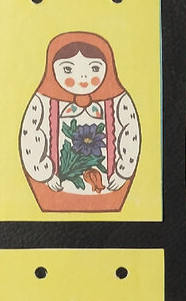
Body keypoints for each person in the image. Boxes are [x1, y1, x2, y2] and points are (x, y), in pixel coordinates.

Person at [19, 32, 140, 212]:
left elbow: (130, 134)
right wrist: (44, 173)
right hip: (52, 188)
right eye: (68, 69)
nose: (82, 77)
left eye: (94, 68)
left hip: (111, 188)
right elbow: (31, 135)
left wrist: (123, 171)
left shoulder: (118, 100)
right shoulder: (43, 101)